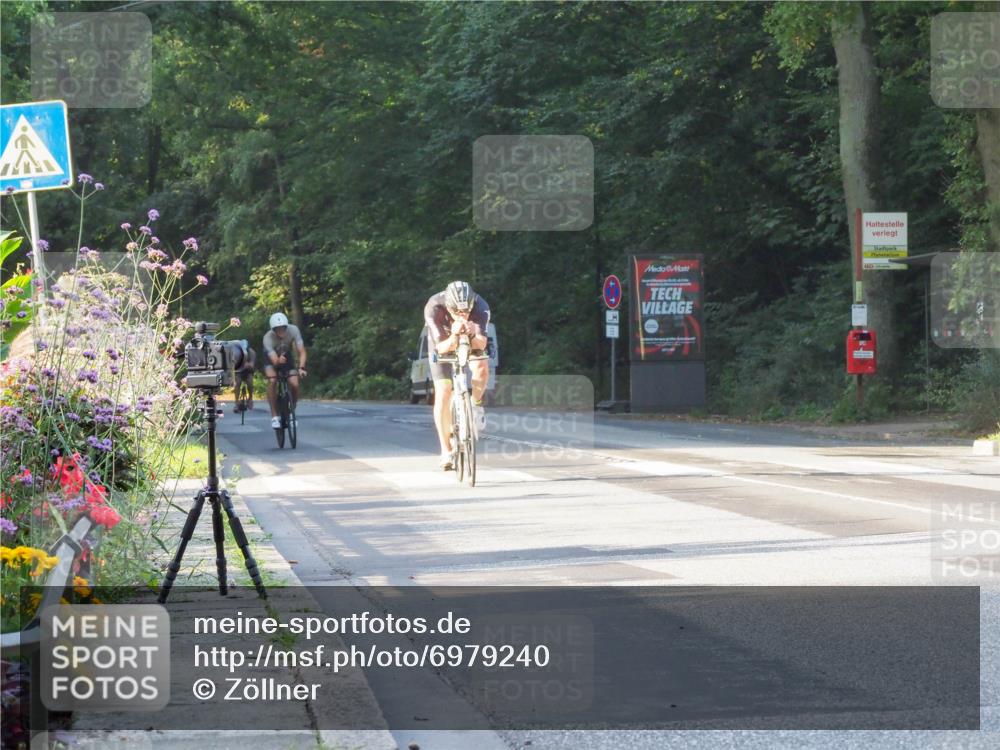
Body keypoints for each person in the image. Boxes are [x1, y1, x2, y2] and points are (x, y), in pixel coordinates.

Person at [423, 281, 490, 470]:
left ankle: (476, 407)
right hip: (443, 340)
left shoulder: (480, 306)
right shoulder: (434, 307)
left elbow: (481, 343)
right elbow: (442, 348)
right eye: (457, 312)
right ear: (448, 307)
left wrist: (470, 334)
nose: (462, 316)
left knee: (482, 368)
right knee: (444, 391)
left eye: (466, 312)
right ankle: (446, 450)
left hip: (471, 340)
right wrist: (453, 336)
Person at [263, 312, 307, 429]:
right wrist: (278, 361)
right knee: (272, 381)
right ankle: (274, 416)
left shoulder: (294, 330)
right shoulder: (268, 338)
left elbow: (301, 351)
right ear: (273, 329)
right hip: (271, 359)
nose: (281, 331)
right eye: (277, 329)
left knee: (295, 384)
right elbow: (274, 360)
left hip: (286, 357)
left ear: (287, 326)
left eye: (283, 328)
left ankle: (292, 411)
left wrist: (301, 368)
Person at [233, 340, 257, 413]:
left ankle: (250, 398)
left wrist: (249, 365)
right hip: (238, 371)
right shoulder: (235, 353)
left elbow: (252, 365)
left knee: (250, 382)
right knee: (237, 383)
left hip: (248, 371)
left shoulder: (252, 352)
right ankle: (236, 402)